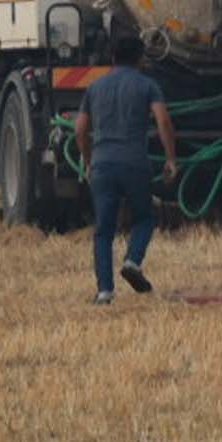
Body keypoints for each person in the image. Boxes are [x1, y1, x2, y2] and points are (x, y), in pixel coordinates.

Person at [73, 32, 180, 303]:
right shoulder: (147, 86)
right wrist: (170, 159)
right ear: (141, 59)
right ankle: (133, 261)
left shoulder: (95, 88)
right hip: (135, 163)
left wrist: (88, 161)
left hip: (103, 165)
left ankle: (105, 291)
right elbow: (163, 122)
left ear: (112, 57)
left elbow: (81, 129)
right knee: (144, 217)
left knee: (104, 230)